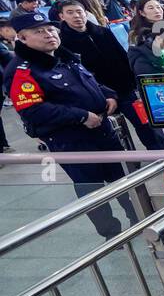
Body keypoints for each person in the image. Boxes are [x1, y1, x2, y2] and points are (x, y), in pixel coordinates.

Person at [7, 12, 137, 238]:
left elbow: (90, 82)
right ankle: (111, 232)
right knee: (91, 188)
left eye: (50, 29)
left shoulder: (65, 56)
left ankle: (137, 218)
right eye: (39, 31)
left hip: (103, 130)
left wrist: (109, 95)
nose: (49, 35)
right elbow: (32, 110)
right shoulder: (22, 71)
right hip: (71, 140)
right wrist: (80, 116)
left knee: (121, 178)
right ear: (22, 38)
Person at [56, 0, 164, 150]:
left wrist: (133, 83)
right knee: (110, 133)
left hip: (123, 88)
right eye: (70, 13)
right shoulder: (62, 43)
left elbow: (123, 57)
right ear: (61, 16)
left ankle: (156, 152)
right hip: (97, 95)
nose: (76, 16)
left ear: (86, 13)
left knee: (143, 124)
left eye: (79, 12)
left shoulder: (103, 32)